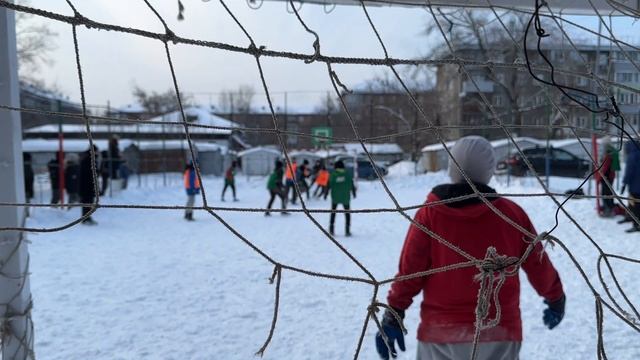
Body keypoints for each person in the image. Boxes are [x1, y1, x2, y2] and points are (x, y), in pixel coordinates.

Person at [375, 136, 565, 360]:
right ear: (490, 170)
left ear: (451, 167)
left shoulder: (429, 215)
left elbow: (410, 270)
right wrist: (555, 297)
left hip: (441, 333)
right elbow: (537, 263)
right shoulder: (512, 215)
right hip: (498, 332)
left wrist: (394, 312)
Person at [328, 160, 356, 236]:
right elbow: (351, 183)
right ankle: (347, 230)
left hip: (335, 197)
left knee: (333, 213)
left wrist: (325, 193)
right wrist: (354, 193)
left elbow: (329, 184)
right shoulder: (347, 174)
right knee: (347, 213)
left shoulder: (333, 174)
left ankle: (331, 229)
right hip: (345, 197)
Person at [622, 139, 640, 232]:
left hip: (635, 185)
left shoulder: (632, 155)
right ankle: (630, 217)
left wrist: (624, 183)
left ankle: (636, 224)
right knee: (635, 203)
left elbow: (629, 171)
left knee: (634, 204)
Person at [598, 136, 618, 217]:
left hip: (607, 176)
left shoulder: (609, 151)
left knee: (605, 193)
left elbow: (606, 166)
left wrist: (601, 175)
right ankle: (610, 207)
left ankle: (608, 210)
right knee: (608, 193)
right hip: (610, 175)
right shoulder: (612, 150)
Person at [79, 146, 99, 225]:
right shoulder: (88, 160)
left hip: (88, 185)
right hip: (86, 186)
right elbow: (88, 174)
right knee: (87, 202)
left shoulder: (88, 159)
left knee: (89, 202)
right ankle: (85, 218)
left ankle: (87, 217)